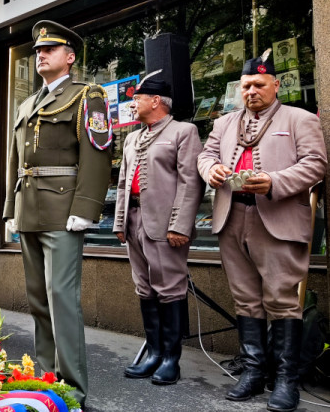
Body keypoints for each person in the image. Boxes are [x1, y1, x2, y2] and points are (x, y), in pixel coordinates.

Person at [198, 50, 327, 412]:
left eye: (257, 84)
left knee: (282, 300)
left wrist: (274, 181)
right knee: (245, 299)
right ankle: (254, 373)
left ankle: (286, 380)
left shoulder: (299, 119)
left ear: (276, 84)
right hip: (231, 216)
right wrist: (211, 171)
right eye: (245, 86)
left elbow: (316, 165)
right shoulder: (223, 123)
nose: (251, 91)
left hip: (277, 218)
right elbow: (205, 156)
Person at [3, 20, 112, 407]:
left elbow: (97, 155)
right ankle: (45, 381)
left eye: (49, 50)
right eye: (37, 51)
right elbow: (16, 160)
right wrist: (10, 210)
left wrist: (86, 208)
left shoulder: (87, 95)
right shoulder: (27, 104)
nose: (40, 55)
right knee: (38, 299)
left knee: (62, 298)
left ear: (69, 58)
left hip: (64, 209)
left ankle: (73, 390)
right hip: (30, 208)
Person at [113, 72, 204, 384]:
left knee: (170, 289)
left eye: (137, 98)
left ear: (155, 101)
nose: (133, 103)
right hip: (134, 220)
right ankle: (153, 353)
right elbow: (124, 182)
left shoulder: (183, 131)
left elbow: (191, 183)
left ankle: (170, 359)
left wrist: (180, 225)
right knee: (144, 287)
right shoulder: (132, 137)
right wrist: (119, 222)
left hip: (166, 226)